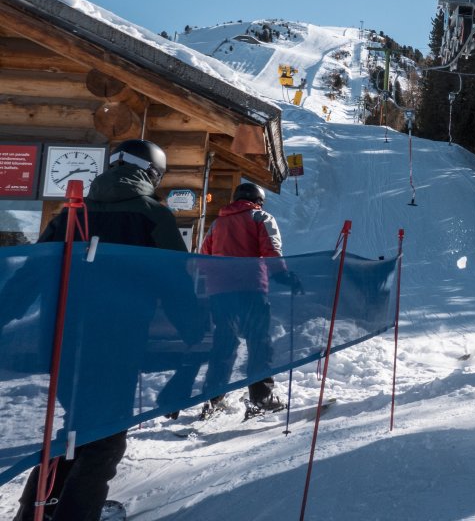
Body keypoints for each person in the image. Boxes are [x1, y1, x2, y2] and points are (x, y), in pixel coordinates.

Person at [1, 139, 205, 521]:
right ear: (152, 172)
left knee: (75, 426)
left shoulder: (71, 213)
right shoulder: (152, 215)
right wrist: (195, 329)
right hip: (117, 342)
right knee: (105, 435)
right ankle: (77, 512)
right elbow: (175, 280)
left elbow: (32, 271)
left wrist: (4, 313)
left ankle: (38, 511)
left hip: (63, 341)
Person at [198, 182, 301, 415]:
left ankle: (212, 397)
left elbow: (204, 257)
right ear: (258, 199)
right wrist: (284, 276)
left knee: (224, 342)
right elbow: (271, 249)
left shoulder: (218, 222)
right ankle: (261, 397)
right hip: (251, 289)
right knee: (258, 342)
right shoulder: (260, 217)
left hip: (220, 293)